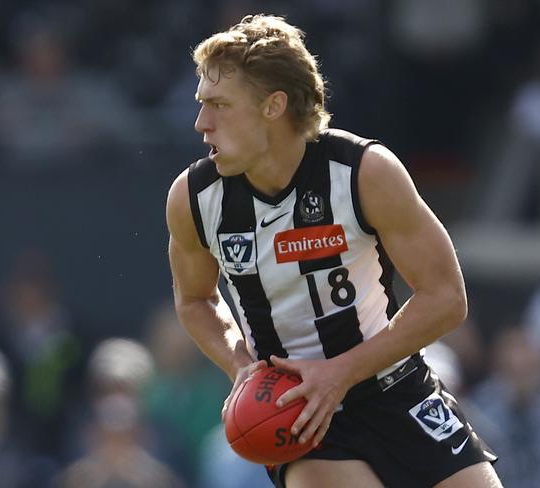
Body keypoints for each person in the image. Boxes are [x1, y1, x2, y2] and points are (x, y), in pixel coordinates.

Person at [166, 14, 501, 488]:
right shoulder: (194, 199)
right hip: (296, 413)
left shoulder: (364, 172)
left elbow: (446, 298)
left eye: (219, 105)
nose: (202, 123)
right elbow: (195, 299)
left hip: (396, 390)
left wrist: (339, 373)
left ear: (273, 106)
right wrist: (240, 367)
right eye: (202, 104)